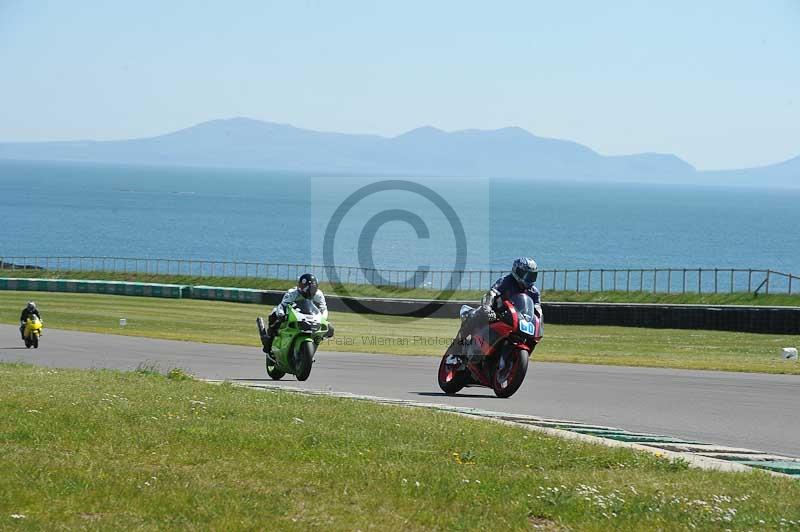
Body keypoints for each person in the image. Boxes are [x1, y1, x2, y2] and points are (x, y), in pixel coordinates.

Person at [458, 257, 542, 342]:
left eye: (531, 276)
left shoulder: (534, 292)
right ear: (516, 271)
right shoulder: (505, 281)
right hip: (496, 314)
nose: (527, 279)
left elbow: (538, 311)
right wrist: (487, 309)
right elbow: (491, 294)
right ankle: (459, 343)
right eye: (525, 274)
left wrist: (538, 324)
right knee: (475, 314)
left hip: (517, 321)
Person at [261, 273, 328, 354]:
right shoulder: (292, 293)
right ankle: (268, 342)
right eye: (305, 287)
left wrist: (323, 318)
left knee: (329, 328)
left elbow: (323, 308)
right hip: (293, 314)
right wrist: (281, 314)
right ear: (300, 286)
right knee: (274, 315)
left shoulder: (319, 294)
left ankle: (312, 346)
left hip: (310, 315)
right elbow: (282, 305)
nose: (308, 290)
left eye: (311, 288)